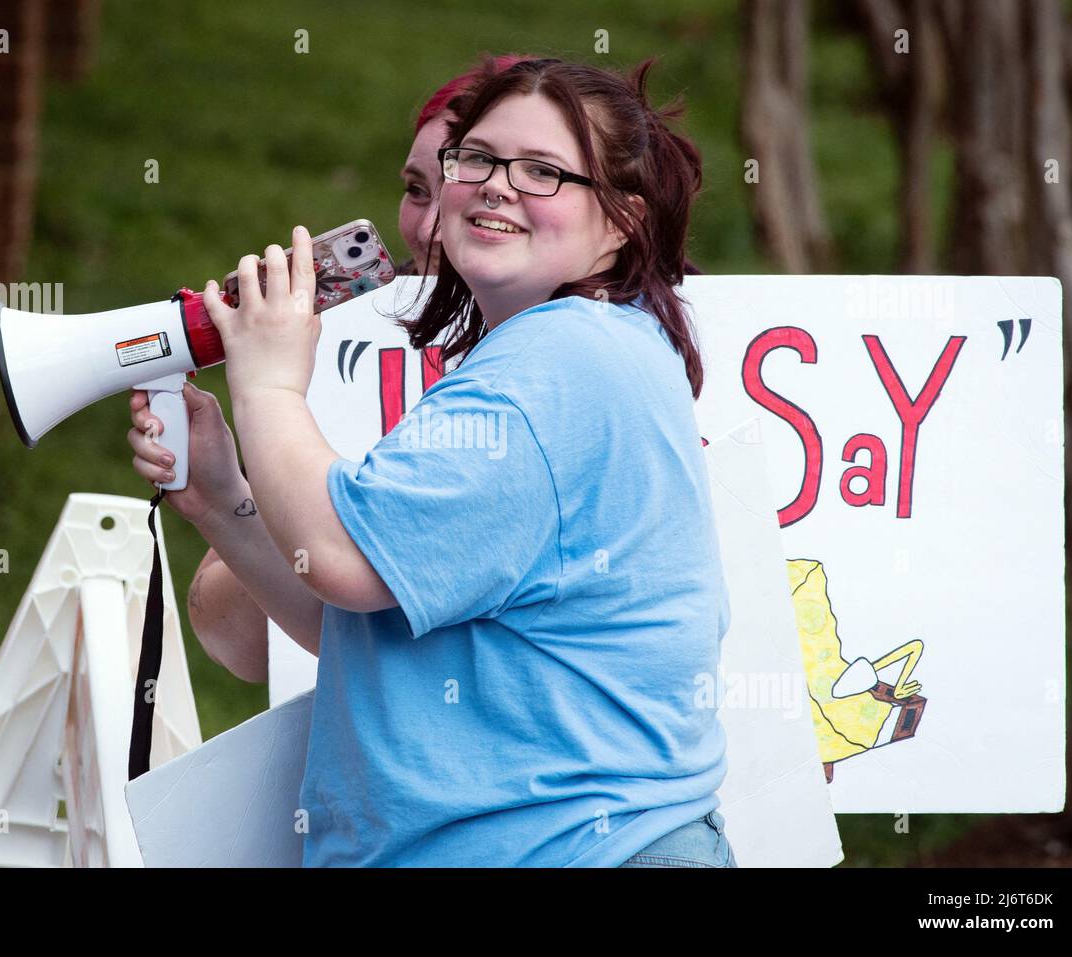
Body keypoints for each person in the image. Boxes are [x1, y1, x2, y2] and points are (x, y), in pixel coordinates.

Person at [128, 56, 735, 868]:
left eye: (543, 172)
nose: (495, 185)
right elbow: (366, 621)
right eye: (477, 159)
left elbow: (342, 559)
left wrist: (270, 383)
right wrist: (224, 496)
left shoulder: (555, 368)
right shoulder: (568, 350)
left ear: (623, 220)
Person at [174, 56, 530, 685]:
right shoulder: (353, 352)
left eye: (477, 197)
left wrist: (269, 393)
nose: (427, 229)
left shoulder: (597, 377)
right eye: (417, 190)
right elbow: (248, 644)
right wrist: (223, 501)